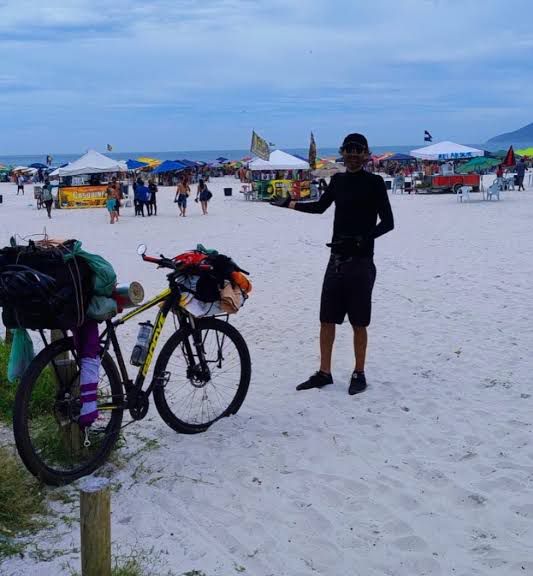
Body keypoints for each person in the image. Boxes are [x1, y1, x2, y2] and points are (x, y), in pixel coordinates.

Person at [271, 133, 394, 395]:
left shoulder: (375, 183)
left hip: (361, 261)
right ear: (342, 152)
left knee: (359, 322)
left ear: (365, 153)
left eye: (357, 150)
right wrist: (288, 204)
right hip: (336, 260)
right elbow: (319, 207)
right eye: (348, 149)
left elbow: (388, 223)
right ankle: (324, 373)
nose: (352, 154)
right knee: (326, 319)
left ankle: (359, 372)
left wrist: (362, 240)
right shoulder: (337, 180)